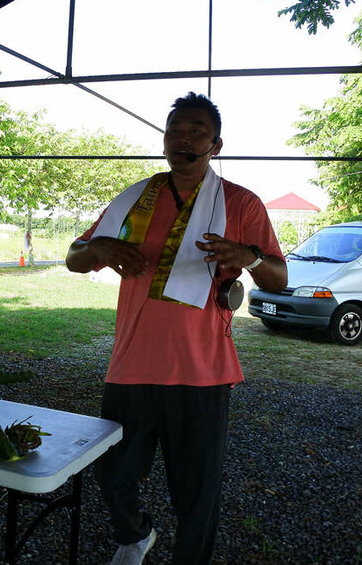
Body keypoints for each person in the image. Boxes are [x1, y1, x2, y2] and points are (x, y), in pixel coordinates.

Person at [66, 92, 287, 565]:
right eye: (175, 131)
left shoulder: (240, 203)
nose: (183, 139)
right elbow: (74, 258)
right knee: (114, 474)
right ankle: (135, 536)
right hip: (131, 364)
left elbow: (280, 277)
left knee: (196, 490)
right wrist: (100, 246)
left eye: (196, 132)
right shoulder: (134, 199)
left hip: (201, 371)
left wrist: (248, 257)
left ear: (216, 144)